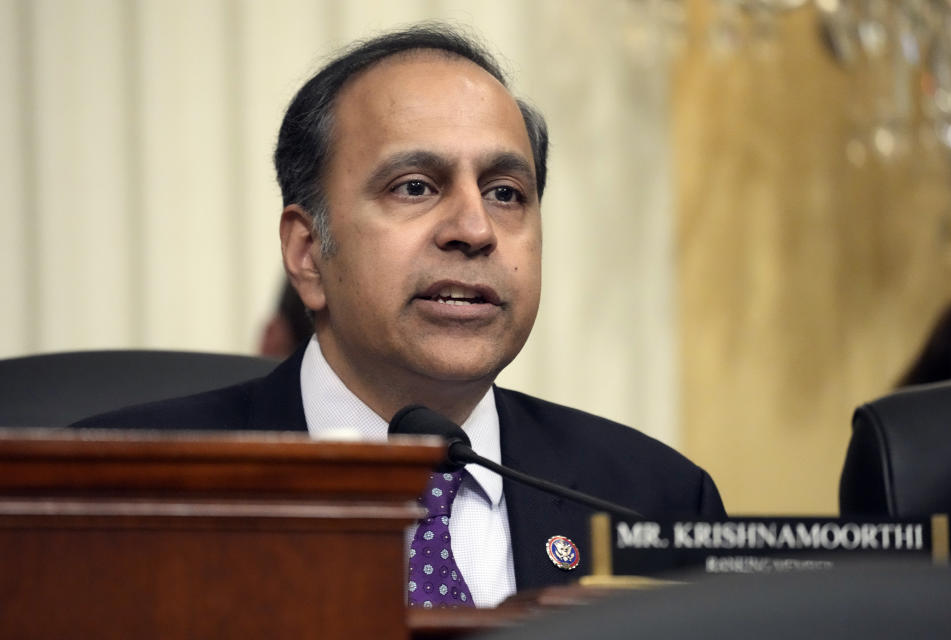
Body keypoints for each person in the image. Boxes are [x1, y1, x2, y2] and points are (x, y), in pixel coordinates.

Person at [74, 24, 725, 607]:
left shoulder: (654, 499)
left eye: (506, 193)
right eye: (415, 186)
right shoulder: (108, 493)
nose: (474, 229)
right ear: (307, 253)